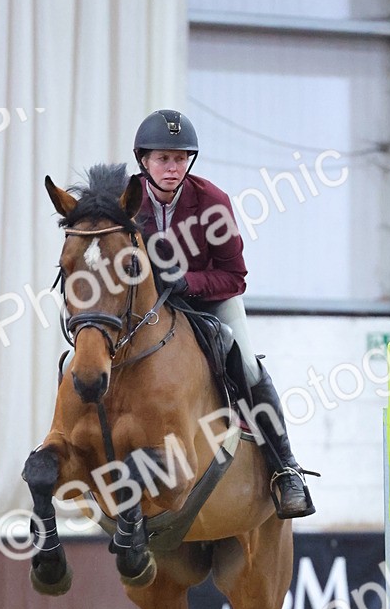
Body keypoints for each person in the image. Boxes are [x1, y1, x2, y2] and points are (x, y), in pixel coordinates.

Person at [132, 108, 314, 519]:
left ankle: (286, 469)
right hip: (146, 306)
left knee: (247, 366)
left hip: (209, 300)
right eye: (163, 158)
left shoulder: (212, 202)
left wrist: (188, 283)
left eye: (180, 159)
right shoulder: (126, 202)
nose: (172, 168)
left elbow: (234, 277)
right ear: (143, 160)